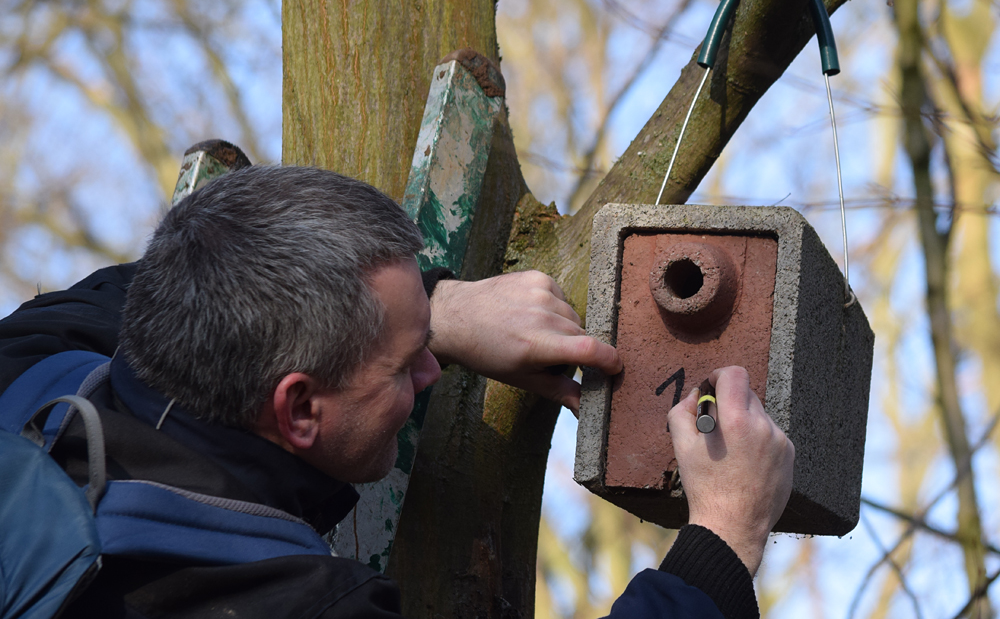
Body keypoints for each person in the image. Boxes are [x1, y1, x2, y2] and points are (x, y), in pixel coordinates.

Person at [0, 165, 793, 619]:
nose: (433, 373)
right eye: (408, 361)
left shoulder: (28, 379)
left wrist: (437, 307)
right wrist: (723, 538)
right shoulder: (293, 607)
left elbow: (155, 279)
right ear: (299, 408)